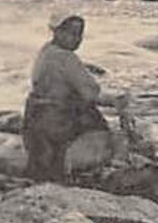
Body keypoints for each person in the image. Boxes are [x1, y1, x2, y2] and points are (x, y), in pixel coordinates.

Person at [21, 11, 120, 182]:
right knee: (99, 123)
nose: (77, 39)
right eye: (71, 34)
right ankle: (110, 164)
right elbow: (91, 94)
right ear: (57, 32)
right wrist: (117, 101)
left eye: (79, 34)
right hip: (55, 120)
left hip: (34, 117)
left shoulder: (46, 51)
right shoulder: (67, 57)